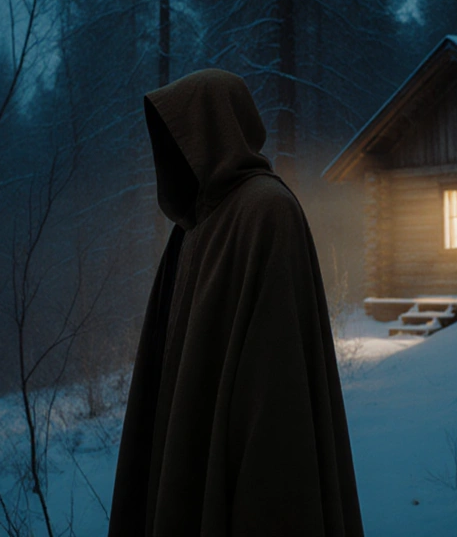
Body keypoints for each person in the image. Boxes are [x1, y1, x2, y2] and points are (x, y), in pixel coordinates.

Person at [108, 68, 364, 537]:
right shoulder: (192, 229)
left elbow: (277, 388)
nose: (171, 152)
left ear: (215, 129)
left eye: (181, 134)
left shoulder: (266, 211)